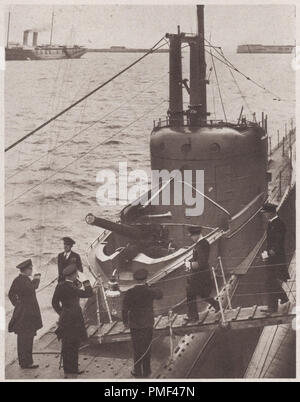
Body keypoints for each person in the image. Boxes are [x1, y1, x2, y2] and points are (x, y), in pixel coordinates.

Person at [52, 264, 93, 376]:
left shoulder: (60, 286)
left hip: (65, 318)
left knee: (66, 344)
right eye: (76, 274)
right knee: (74, 343)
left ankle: (67, 368)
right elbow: (89, 293)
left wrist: (62, 313)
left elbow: (54, 303)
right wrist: (86, 281)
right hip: (75, 319)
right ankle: (73, 369)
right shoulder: (72, 288)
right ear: (74, 275)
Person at [122, 268, 163, 378]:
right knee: (147, 347)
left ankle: (137, 371)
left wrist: (125, 322)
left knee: (136, 348)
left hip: (135, 324)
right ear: (146, 279)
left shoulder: (130, 292)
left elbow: (124, 309)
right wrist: (149, 287)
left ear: (135, 280)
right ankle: (147, 371)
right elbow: (160, 295)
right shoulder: (149, 291)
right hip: (147, 324)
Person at [8, 259, 43, 369]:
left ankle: (24, 361)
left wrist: (17, 304)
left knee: (22, 338)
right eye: (30, 269)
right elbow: (32, 288)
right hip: (27, 315)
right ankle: (27, 363)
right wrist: (37, 279)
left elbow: (11, 294)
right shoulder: (24, 281)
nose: (31, 270)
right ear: (25, 270)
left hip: (22, 313)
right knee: (27, 338)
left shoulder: (18, 279)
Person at [184, 226, 220, 323]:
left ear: (196, 235)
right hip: (201, 274)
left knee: (190, 293)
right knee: (202, 293)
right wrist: (190, 261)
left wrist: (189, 265)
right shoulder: (201, 243)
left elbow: (201, 262)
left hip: (200, 275)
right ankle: (216, 304)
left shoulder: (201, 245)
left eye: (192, 236)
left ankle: (193, 317)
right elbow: (198, 259)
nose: (191, 238)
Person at [260, 202, 290, 314]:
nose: (265, 215)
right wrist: (266, 253)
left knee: (270, 282)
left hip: (277, 259)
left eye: (266, 213)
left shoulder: (279, 224)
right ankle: (276, 303)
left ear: (271, 212)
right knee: (270, 281)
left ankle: (275, 305)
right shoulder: (271, 224)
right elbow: (270, 243)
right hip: (271, 258)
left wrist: (268, 253)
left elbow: (277, 244)